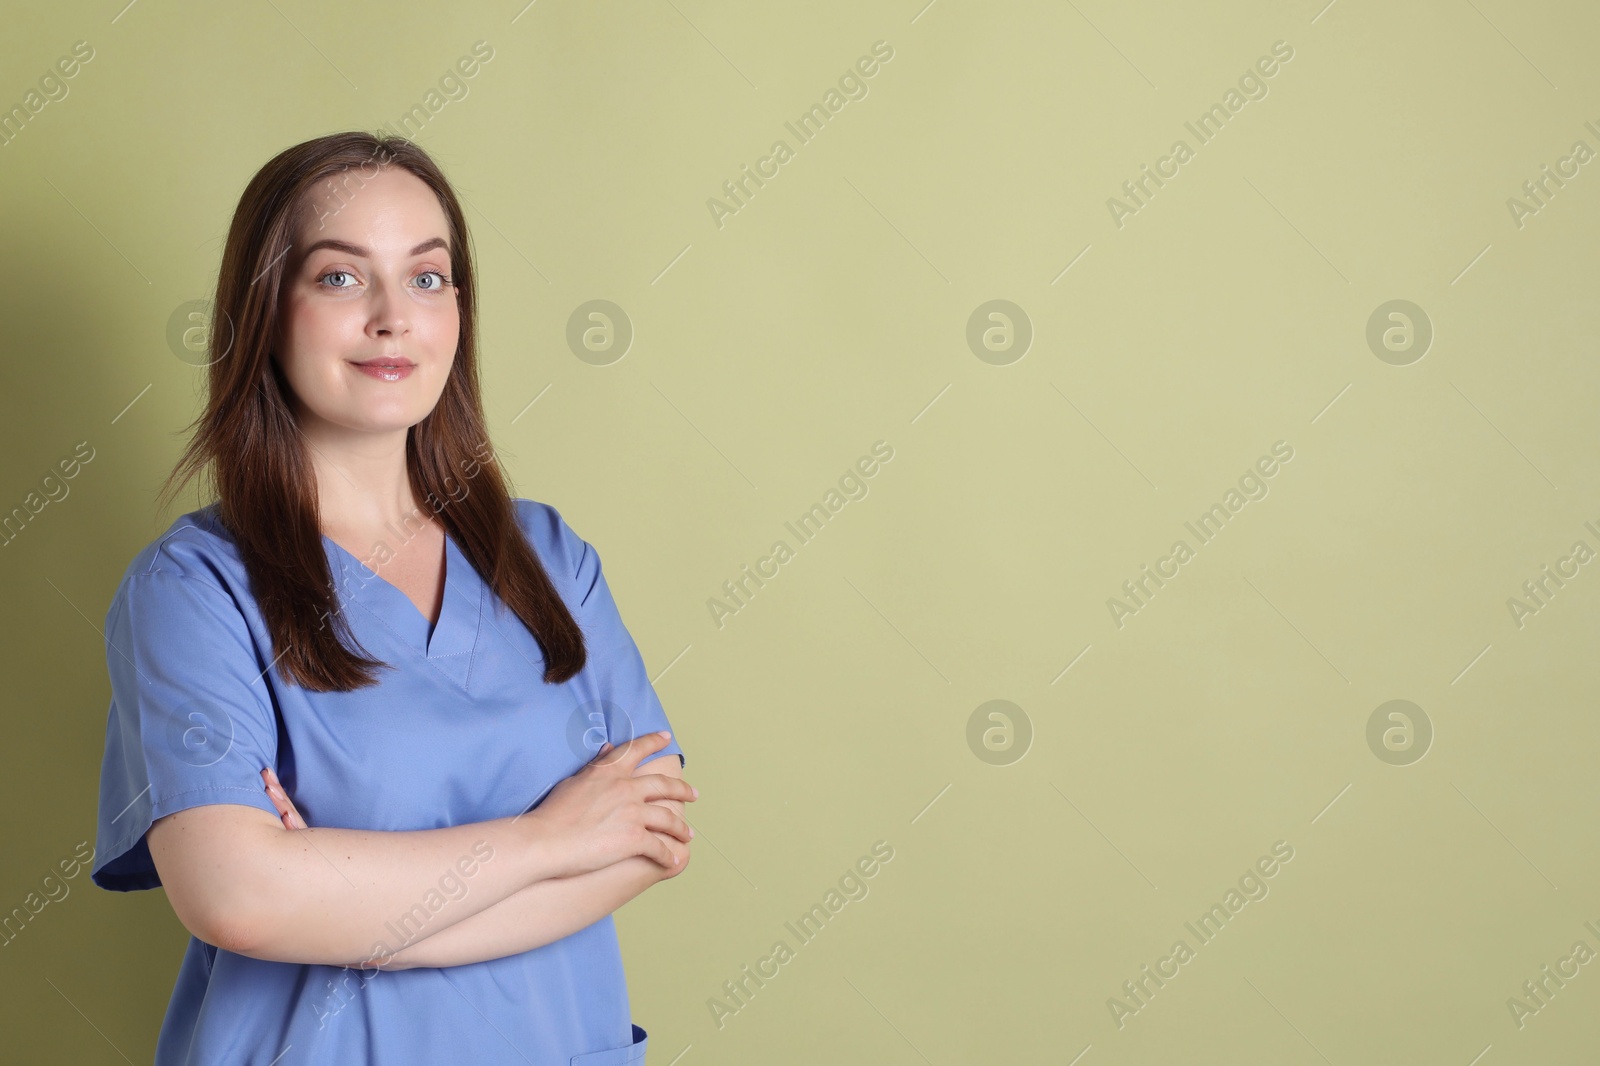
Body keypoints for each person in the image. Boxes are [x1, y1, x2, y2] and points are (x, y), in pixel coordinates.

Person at [89, 131, 698, 1065]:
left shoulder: (549, 559)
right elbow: (239, 898)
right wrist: (554, 837)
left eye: (427, 277)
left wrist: (339, 899)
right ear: (264, 308)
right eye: (339, 278)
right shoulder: (195, 590)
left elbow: (650, 838)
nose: (393, 319)